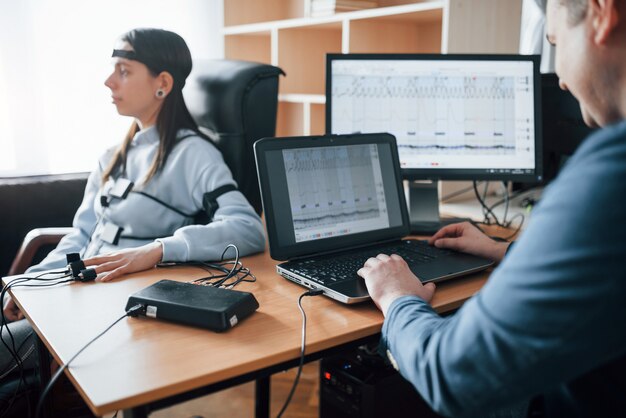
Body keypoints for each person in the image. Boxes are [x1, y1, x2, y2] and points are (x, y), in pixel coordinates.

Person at [357, 0, 626, 417]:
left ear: (601, 12)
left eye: (556, 43)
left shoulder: (612, 173)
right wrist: (505, 252)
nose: (561, 82)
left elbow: (451, 374)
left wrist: (397, 299)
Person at [1, 28, 265, 382]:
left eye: (124, 71)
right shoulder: (113, 156)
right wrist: (28, 285)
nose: (109, 81)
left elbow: (247, 228)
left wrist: (158, 249)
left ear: (163, 83)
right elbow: (81, 234)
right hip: (66, 293)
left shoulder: (193, 155)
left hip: (106, 309)